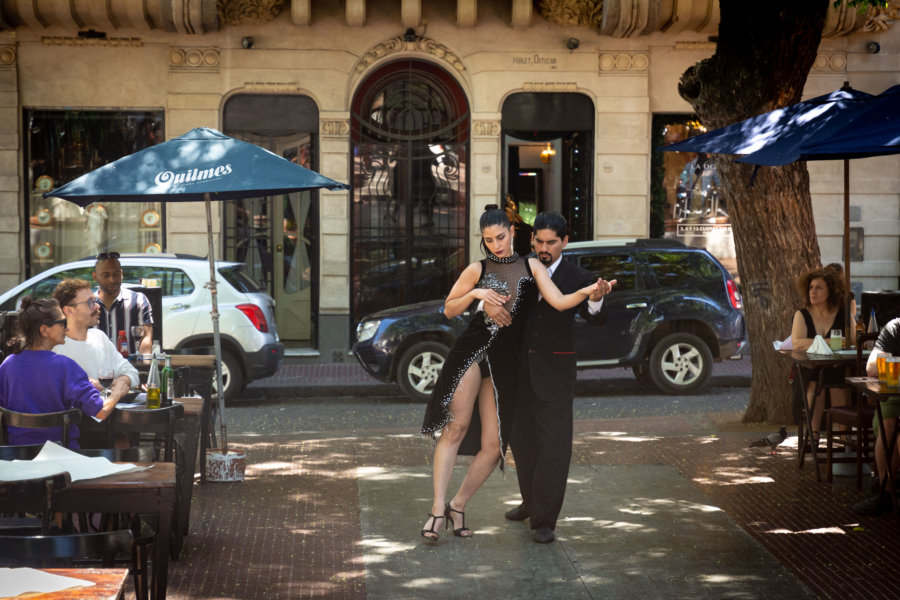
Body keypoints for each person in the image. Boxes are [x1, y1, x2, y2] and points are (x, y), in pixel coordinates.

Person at [419, 205, 603, 541]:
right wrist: (478, 296)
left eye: (501, 237)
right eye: (488, 239)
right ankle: (437, 510)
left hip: (516, 365)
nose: (496, 244)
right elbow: (449, 308)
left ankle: (466, 507)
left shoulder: (537, 266)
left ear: (514, 234)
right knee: (461, 428)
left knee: (497, 446)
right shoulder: (478, 267)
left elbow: (561, 303)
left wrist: (590, 294)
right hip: (481, 354)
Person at [493, 211, 615, 543]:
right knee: (523, 443)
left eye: (551, 243)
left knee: (554, 447)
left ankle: (545, 519)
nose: (544, 248)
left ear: (565, 242)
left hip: (555, 375)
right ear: (532, 240)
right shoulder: (519, 270)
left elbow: (597, 320)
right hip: (518, 375)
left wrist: (596, 300)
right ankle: (531, 502)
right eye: (539, 241)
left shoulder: (579, 276)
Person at [0, 297, 117, 448]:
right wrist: (118, 390)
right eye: (63, 323)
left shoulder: (8, 365)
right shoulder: (66, 367)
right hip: (63, 458)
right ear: (44, 330)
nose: (67, 328)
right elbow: (101, 412)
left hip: (17, 459)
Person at [790, 267, 857, 441]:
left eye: (819, 287)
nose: (813, 291)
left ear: (831, 291)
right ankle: (813, 435)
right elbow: (797, 342)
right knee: (816, 381)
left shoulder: (843, 314)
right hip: (808, 369)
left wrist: (812, 343)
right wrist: (830, 343)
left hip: (838, 368)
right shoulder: (802, 314)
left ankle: (845, 437)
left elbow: (852, 341)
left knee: (837, 381)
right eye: (811, 287)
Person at [53, 278, 140, 404]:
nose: (97, 306)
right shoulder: (55, 346)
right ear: (69, 310)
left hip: (106, 417)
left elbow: (132, 373)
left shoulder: (99, 337)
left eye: (95, 301)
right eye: (90, 303)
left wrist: (120, 382)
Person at [854, 317, 900, 515]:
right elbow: (871, 367)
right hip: (894, 395)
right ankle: (886, 492)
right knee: (888, 425)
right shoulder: (895, 328)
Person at [93, 252, 153, 355]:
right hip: (96, 368)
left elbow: (146, 338)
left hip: (130, 367)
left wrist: (144, 366)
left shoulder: (138, 300)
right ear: (95, 277)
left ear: (121, 274)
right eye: (105, 275)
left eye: (115, 274)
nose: (111, 280)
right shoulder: (87, 304)